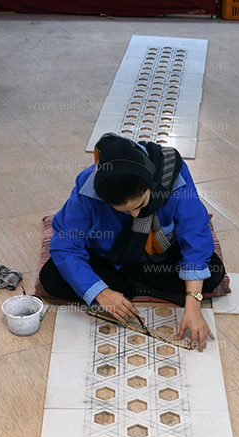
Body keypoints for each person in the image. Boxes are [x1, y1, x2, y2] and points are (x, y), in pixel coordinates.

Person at [38, 133, 227, 351]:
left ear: (151, 183)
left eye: (141, 204)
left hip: (158, 256)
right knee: (51, 277)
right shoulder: (88, 189)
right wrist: (102, 293)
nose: (136, 215)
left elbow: (195, 233)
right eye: (124, 211)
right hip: (109, 258)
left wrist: (193, 304)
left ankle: (127, 285)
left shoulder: (173, 175)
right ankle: (125, 286)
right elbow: (66, 245)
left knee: (213, 273)